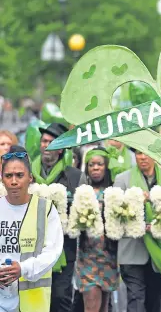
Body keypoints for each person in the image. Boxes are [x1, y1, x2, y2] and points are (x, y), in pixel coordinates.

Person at [0, 145, 64, 312]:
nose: (14, 181)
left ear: (30, 177)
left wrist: (23, 268)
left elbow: (53, 251)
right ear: (2, 179)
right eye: (8, 176)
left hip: (32, 302)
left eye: (19, 175)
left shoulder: (45, 209)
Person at [114, 149, 161, 312]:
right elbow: (115, 215)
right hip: (132, 249)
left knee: (155, 301)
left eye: (146, 153)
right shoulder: (122, 179)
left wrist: (157, 225)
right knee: (135, 298)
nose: (142, 157)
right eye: (138, 153)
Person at [32, 123, 86, 312]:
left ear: (61, 148)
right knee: (36, 295)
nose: (46, 145)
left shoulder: (75, 176)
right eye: (44, 141)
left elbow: (82, 213)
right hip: (33, 247)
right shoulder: (29, 173)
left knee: (60, 296)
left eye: (51, 142)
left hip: (64, 247)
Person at [75, 147, 119, 312]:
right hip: (88, 257)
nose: (95, 168)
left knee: (103, 308)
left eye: (99, 164)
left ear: (106, 166)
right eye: (91, 164)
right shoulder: (82, 192)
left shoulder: (113, 191)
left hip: (109, 256)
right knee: (91, 307)